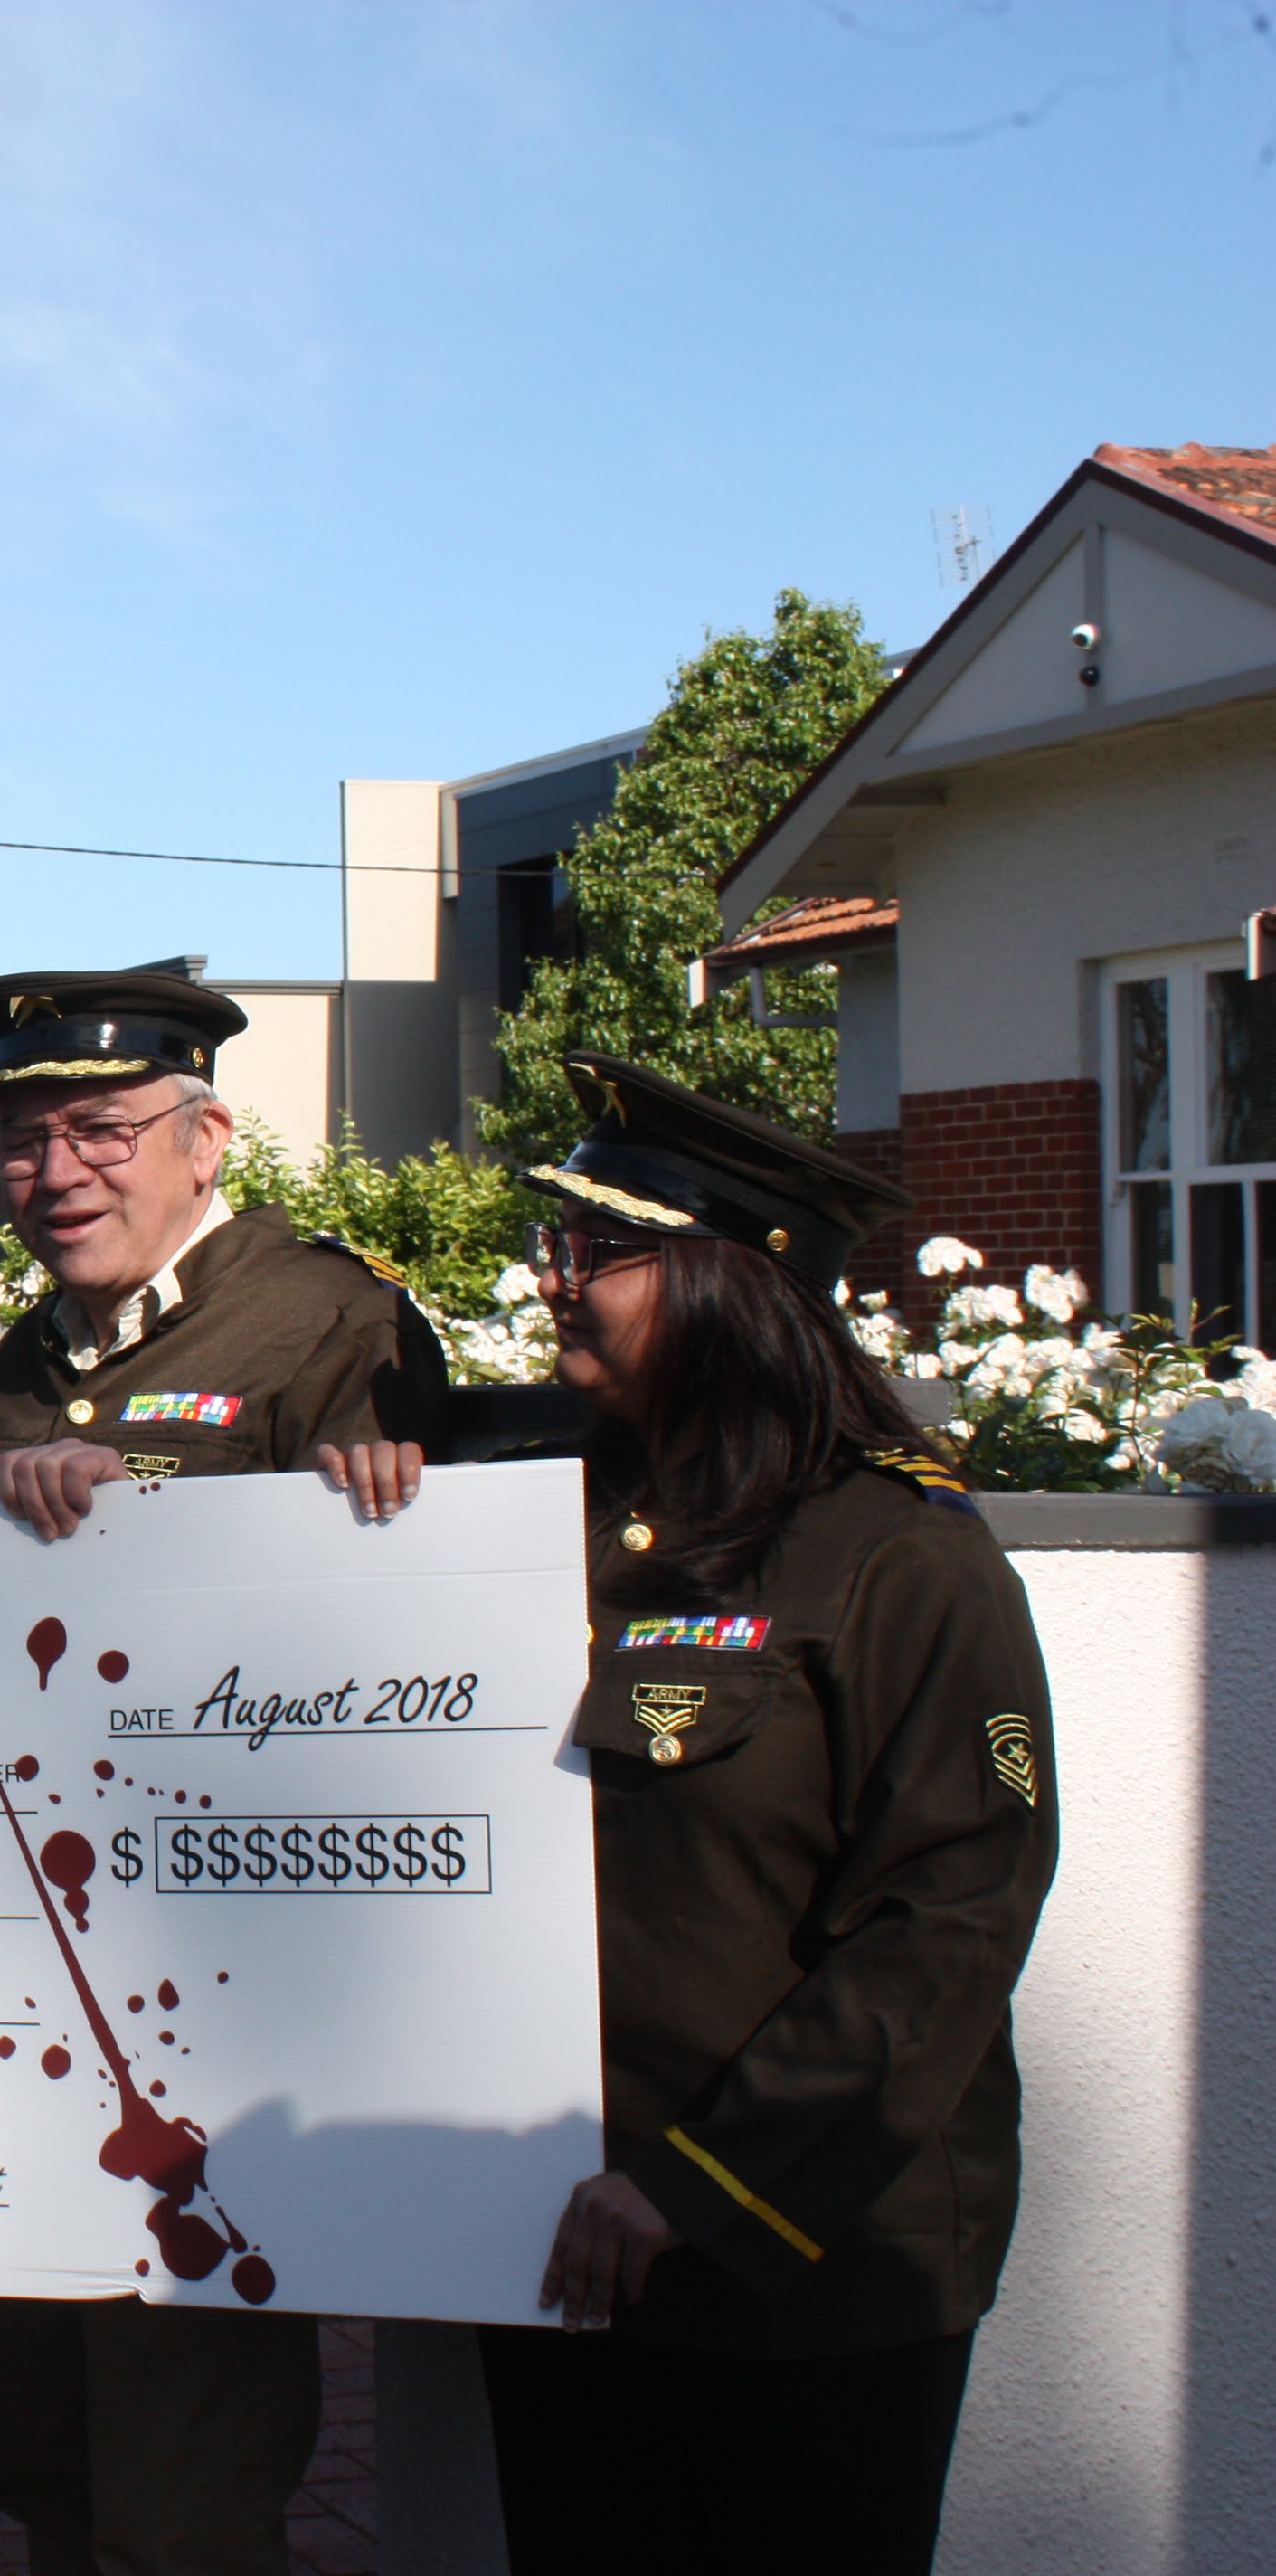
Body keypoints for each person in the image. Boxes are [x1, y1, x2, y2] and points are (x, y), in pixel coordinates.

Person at [483, 1056, 1055, 2576]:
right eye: (560, 1244)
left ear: (728, 1281)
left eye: (597, 1250)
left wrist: (698, 2186)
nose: (555, 1279)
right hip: (573, 2231)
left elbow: (951, 1917)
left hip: (809, 2260)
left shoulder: (898, 1557)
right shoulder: (549, 1519)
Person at [0, 971, 444, 2576]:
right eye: (21, 1142)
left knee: (188, 2482)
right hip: (36, 2000)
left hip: (219, 1993)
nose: (58, 1172)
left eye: (100, 1128)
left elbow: (411, 1646)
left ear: (208, 1136)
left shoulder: (330, 1317)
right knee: (48, 2460)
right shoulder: (23, 1355)